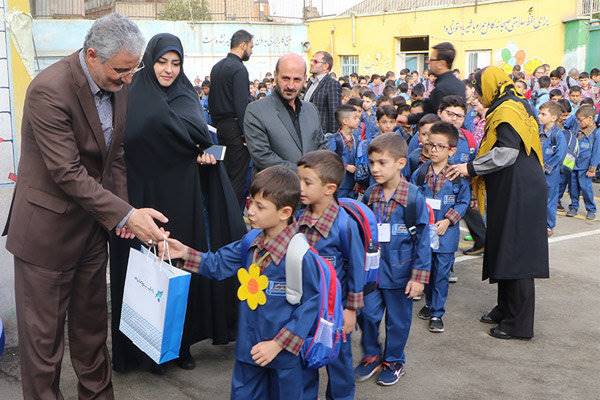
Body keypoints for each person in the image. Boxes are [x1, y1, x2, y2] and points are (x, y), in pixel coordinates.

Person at [1, 14, 169, 399]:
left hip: (92, 231)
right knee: (43, 349)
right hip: (45, 236)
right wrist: (127, 215)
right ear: (91, 55)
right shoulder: (50, 89)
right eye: (121, 71)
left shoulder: (119, 83)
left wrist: (121, 214)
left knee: (92, 335)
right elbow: (67, 172)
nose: (128, 79)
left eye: (133, 69)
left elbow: (116, 157)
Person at [109, 33, 246, 374]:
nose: (169, 70)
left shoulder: (187, 94)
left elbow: (210, 144)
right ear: (149, 60)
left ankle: (178, 345)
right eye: (162, 62)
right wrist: (121, 209)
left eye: (176, 63)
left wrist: (207, 157)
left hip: (182, 199)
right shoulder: (129, 94)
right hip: (138, 199)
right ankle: (138, 350)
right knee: (138, 276)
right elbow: (117, 150)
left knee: (176, 269)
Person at [161, 166, 322, 400]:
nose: (250, 211)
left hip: (284, 356)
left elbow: (310, 307)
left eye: (260, 206)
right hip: (248, 350)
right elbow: (217, 264)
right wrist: (184, 252)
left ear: (285, 212)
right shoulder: (250, 242)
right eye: (250, 202)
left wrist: (277, 345)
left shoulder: (300, 255)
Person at [446, 66, 549, 340]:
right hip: (512, 186)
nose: (478, 96)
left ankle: (519, 324)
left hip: (520, 188)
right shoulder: (511, 103)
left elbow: (506, 153)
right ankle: (505, 308)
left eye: (480, 90)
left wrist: (471, 167)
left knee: (518, 254)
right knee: (505, 246)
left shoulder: (507, 110)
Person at [354, 133, 431, 386]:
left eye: (382, 163)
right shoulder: (370, 195)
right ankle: (372, 355)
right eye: (372, 162)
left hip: (401, 274)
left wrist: (418, 278)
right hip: (373, 274)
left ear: (400, 163)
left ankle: (394, 360)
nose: (375, 169)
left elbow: (422, 239)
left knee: (398, 322)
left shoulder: (413, 197)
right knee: (367, 315)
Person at [297, 150, 365, 400]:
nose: (300, 187)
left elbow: (357, 268)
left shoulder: (344, 225)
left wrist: (350, 310)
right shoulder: (298, 217)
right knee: (303, 357)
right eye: (299, 180)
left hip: (334, 311)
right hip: (304, 307)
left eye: (307, 182)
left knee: (338, 360)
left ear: (329, 188)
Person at [412, 122, 470, 333]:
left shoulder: (457, 176)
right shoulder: (420, 173)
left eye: (440, 146)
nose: (434, 150)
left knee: (441, 273)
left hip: (446, 234)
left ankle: (437, 312)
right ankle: (428, 303)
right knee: (426, 269)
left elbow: (463, 202)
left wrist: (448, 220)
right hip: (424, 233)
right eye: (431, 145)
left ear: (452, 150)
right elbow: (413, 199)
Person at [244, 53, 327, 171]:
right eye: (286, 78)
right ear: (275, 76)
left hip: (312, 187)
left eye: (297, 79)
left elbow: (321, 148)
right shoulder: (256, 111)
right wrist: (305, 174)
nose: (291, 85)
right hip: (277, 187)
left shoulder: (311, 110)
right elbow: (262, 157)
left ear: (305, 79)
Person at [209, 29, 254, 204]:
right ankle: (233, 219)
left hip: (220, 128)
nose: (251, 51)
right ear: (242, 45)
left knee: (225, 175)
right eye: (251, 46)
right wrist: (246, 134)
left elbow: (212, 102)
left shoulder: (217, 67)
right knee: (237, 179)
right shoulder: (239, 69)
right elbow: (241, 104)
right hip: (236, 129)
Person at [537, 101, 568, 236]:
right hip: (537, 172)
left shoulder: (558, 135)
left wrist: (546, 168)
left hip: (550, 174)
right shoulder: (538, 131)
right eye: (540, 113)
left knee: (549, 199)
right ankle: (537, 222)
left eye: (544, 114)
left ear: (554, 117)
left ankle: (549, 226)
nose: (540, 116)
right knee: (537, 197)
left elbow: (560, 155)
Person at [566, 105, 600, 220]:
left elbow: (596, 152)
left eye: (581, 120)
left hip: (585, 167)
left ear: (590, 118)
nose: (579, 122)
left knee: (586, 189)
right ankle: (573, 207)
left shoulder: (596, 133)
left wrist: (592, 168)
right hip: (573, 165)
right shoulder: (577, 130)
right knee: (573, 188)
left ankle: (591, 209)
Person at [327, 104, 361, 198]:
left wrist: (358, 180)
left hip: (353, 185)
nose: (358, 120)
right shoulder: (334, 139)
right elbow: (329, 159)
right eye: (355, 118)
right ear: (345, 121)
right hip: (340, 185)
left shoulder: (356, 139)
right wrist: (345, 166)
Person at [304, 51, 342, 134]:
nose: (311, 63)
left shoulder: (332, 84)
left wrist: (331, 138)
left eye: (315, 61)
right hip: (307, 132)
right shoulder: (310, 82)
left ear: (325, 66)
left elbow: (334, 114)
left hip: (322, 136)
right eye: (311, 60)